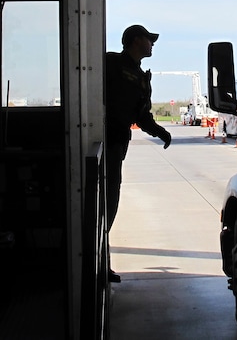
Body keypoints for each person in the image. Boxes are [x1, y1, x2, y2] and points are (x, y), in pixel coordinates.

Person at [105, 24, 172, 282]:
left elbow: (142, 116)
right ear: (135, 40)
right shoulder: (109, 63)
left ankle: (101, 262)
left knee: (110, 204)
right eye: (148, 39)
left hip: (117, 146)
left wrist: (160, 132)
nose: (152, 44)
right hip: (102, 141)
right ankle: (96, 263)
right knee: (102, 204)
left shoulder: (142, 78)